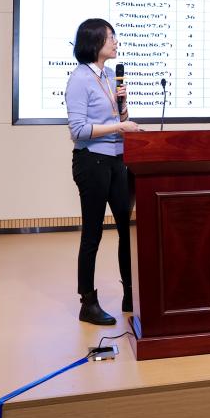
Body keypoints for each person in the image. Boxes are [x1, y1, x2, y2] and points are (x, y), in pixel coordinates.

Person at [65, 18, 141, 326]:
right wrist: (119, 127)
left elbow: (119, 117)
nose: (116, 42)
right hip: (91, 162)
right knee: (92, 234)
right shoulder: (79, 79)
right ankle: (88, 302)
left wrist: (123, 110)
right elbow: (78, 130)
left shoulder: (110, 75)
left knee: (127, 228)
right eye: (111, 37)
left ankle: (131, 294)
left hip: (118, 160)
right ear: (95, 41)